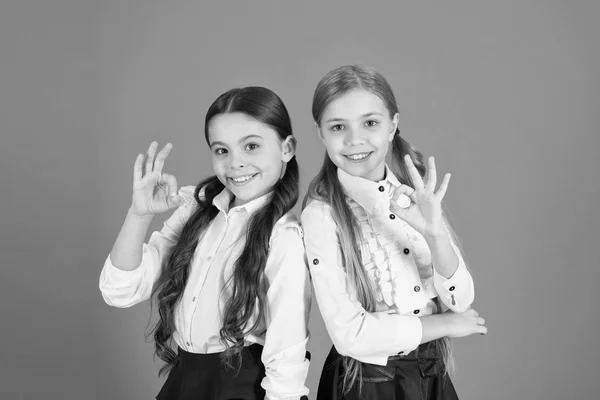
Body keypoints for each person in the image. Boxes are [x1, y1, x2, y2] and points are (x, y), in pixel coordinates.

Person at [99, 86, 311, 400]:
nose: (235, 163)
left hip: (241, 387)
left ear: (287, 148)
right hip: (185, 381)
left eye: (251, 146)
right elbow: (120, 291)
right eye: (221, 150)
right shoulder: (196, 212)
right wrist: (138, 214)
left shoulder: (284, 238)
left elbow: (287, 354)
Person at [301, 65, 487, 399]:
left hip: (431, 376)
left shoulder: (413, 193)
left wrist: (435, 234)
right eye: (338, 126)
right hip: (365, 384)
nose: (355, 139)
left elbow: (461, 299)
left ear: (392, 126)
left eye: (370, 123)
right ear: (321, 134)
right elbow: (350, 335)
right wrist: (443, 326)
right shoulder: (322, 214)